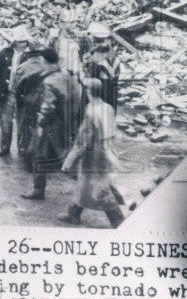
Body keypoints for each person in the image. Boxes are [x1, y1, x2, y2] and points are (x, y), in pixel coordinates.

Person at [21, 47, 86, 200]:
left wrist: (40, 121)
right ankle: (38, 190)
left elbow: (48, 106)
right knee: (46, 156)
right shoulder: (68, 77)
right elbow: (76, 99)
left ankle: (98, 188)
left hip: (50, 127)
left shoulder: (48, 80)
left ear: (44, 61)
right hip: (66, 124)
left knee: (61, 160)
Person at [60, 77, 125, 228]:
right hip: (108, 149)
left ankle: (118, 220)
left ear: (88, 91)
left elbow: (83, 140)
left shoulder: (91, 111)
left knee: (99, 188)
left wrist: (70, 160)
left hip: (95, 155)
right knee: (86, 184)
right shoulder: (108, 107)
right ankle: (73, 213)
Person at [0, 25, 31, 158]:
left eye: (24, 42)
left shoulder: (30, 55)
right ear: (14, 42)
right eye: (20, 41)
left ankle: (22, 148)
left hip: (23, 93)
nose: (22, 44)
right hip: (7, 92)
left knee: (23, 122)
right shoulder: (5, 53)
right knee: (5, 122)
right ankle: (4, 146)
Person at [12, 43, 59, 162]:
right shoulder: (48, 67)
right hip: (44, 101)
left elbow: (15, 87)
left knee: (23, 126)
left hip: (25, 101)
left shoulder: (23, 67)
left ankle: (23, 150)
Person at [82, 21, 120, 112]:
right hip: (112, 88)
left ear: (94, 38)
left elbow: (90, 73)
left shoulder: (98, 55)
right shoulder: (112, 52)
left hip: (101, 89)